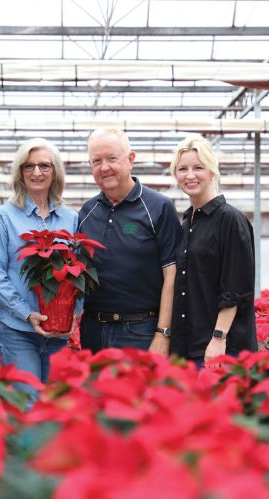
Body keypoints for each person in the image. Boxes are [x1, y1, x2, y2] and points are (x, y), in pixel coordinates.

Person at [0, 138, 79, 402]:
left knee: (54, 406)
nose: (36, 172)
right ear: (20, 173)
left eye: (44, 166)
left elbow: (78, 273)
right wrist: (27, 314)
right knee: (26, 405)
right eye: (29, 166)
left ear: (55, 172)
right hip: (17, 329)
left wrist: (74, 314)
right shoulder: (4, 216)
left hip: (58, 332)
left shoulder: (70, 219)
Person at [77, 127, 180, 354]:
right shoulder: (87, 212)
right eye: (96, 161)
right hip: (93, 330)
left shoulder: (159, 207)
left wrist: (163, 334)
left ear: (130, 159)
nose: (104, 168)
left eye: (112, 158)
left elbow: (171, 274)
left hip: (140, 331)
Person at [168, 136, 257, 368]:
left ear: (212, 172)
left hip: (220, 349)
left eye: (198, 167)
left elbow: (236, 287)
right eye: (182, 169)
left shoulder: (230, 219)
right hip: (188, 346)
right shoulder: (187, 222)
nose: (190, 175)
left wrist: (218, 338)